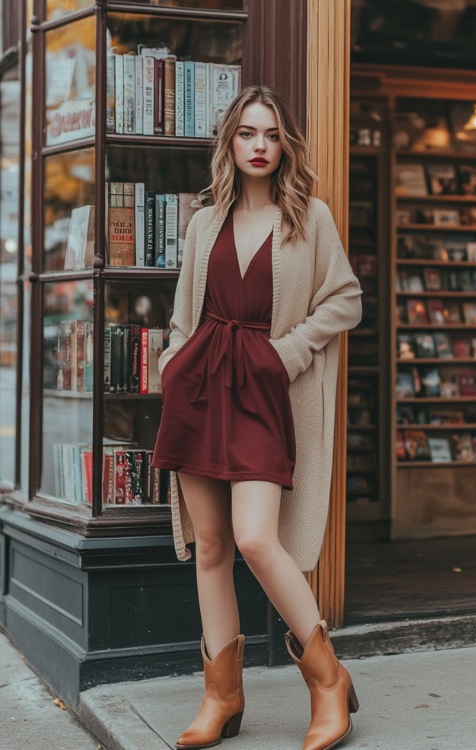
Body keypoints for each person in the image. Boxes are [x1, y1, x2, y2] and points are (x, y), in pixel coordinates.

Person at [152, 85, 363, 750]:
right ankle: (221, 696)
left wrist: (288, 353)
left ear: (285, 145)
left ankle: (329, 682)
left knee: (255, 540)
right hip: (201, 389)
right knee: (210, 547)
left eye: (271, 135)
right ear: (230, 142)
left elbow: (346, 297)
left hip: (266, 391)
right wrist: (170, 358)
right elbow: (187, 313)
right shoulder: (202, 222)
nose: (260, 147)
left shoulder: (310, 218)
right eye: (248, 134)